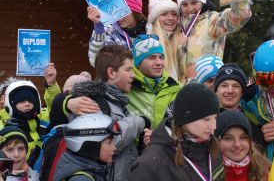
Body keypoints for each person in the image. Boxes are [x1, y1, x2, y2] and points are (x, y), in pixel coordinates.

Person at [62, 45, 145, 181]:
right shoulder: (93, 102)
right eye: (128, 70)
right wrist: (139, 122)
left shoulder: (115, 101)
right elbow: (106, 141)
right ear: (111, 73)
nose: (133, 75)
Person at [176, 0, 252, 81]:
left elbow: (242, 14)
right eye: (184, 4)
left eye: (194, 2)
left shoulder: (213, 21)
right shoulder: (177, 26)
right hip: (182, 92)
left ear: (202, 1)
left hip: (208, 87)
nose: (190, 9)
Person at [131, 83, 222, 181]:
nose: (214, 126)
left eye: (215, 118)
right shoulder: (150, 165)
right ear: (185, 118)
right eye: (206, 119)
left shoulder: (213, 147)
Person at [127, 35, 182, 130]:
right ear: (138, 63)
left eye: (161, 57)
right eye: (151, 57)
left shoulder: (178, 87)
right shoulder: (126, 87)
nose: (159, 62)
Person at [88, 0, 146, 67]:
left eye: (123, 12)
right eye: (116, 11)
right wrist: (99, 30)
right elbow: (96, 62)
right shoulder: (109, 31)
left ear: (135, 12)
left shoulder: (150, 31)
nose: (119, 17)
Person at [54, 113, 120, 181]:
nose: (114, 147)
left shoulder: (89, 169)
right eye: (109, 143)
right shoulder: (81, 179)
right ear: (90, 147)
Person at [214, 110, 271, 181]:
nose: (237, 144)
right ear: (217, 141)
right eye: (228, 138)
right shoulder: (208, 171)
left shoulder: (266, 172)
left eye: (243, 137)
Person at [4, 80, 50, 167]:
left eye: (31, 101)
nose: (27, 104)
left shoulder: (44, 126)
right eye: (21, 101)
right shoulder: (10, 133)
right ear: (11, 105)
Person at [146, 0, 184, 81]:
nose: (170, 18)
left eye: (174, 14)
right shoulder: (148, 44)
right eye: (164, 14)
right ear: (155, 18)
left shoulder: (179, 41)